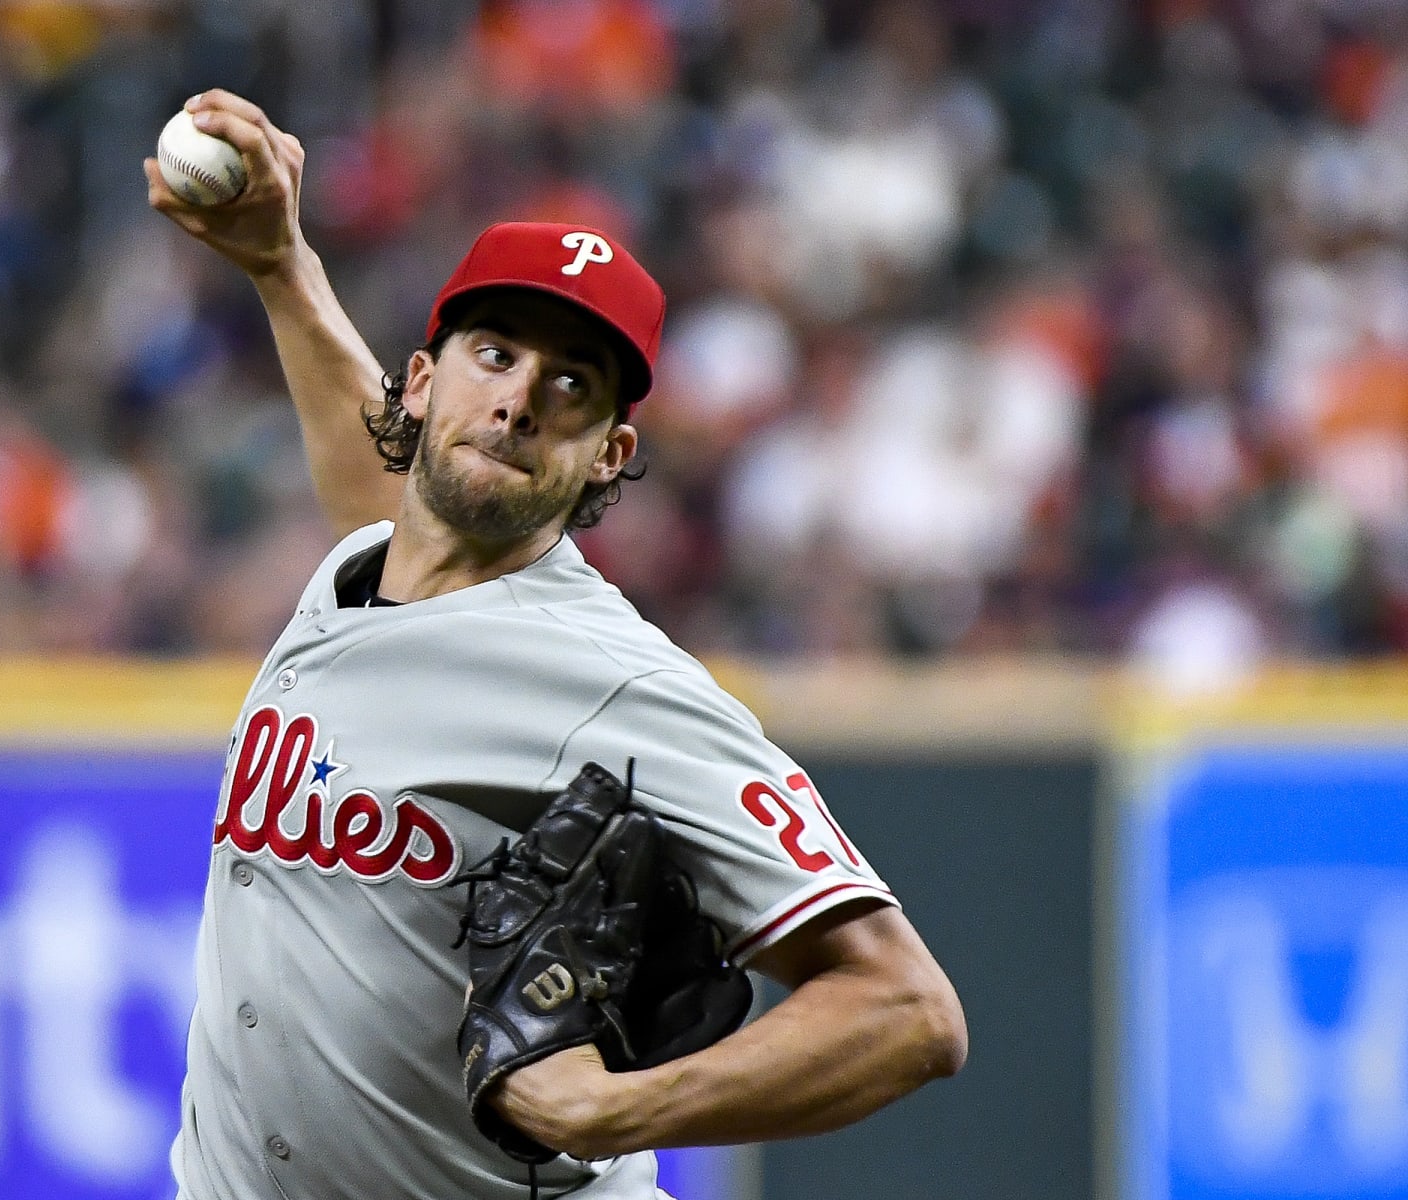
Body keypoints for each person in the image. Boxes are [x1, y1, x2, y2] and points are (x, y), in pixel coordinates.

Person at [145, 90, 967, 1200]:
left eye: (571, 385)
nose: (521, 399)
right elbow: (386, 482)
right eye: (494, 353)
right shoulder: (363, 570)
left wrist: (616, 1107)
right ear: (423, 381)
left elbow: (908, 1008)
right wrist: (282, 265)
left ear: (608, 454)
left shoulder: (613, 682)